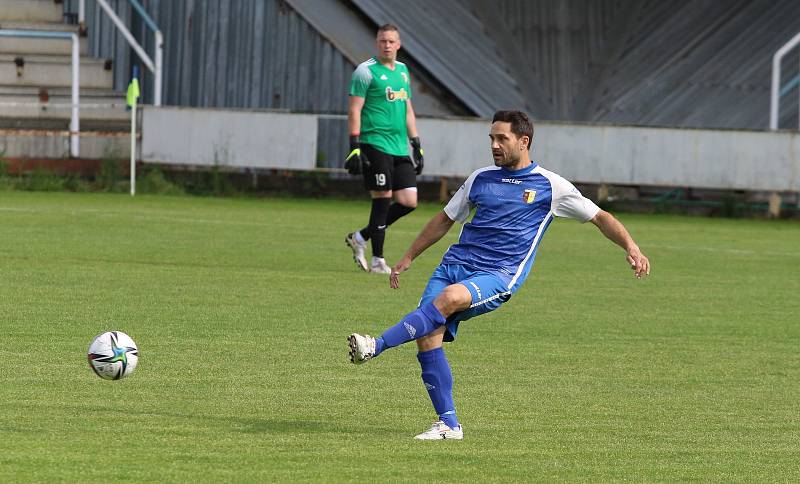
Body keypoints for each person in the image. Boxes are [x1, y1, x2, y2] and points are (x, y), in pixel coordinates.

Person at [347, 110, 651, 440]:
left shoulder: (551, 185)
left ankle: (375, 345)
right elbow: (445, 219)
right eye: (491, 138)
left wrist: (631, 246)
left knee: (447, 301)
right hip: (453, 265)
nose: (494, 144)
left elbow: (600, 217)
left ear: (524, 141)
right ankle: (448, 424)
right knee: (428, 335)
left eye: (501, 138)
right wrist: (409, 255)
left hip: (498, 273)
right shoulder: (480, 178)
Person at [344, 24, 424, 274]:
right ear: (377, 43)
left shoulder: (402, 71)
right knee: (382, 200)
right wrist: (354, 147)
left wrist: (417, 144)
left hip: (400, 147)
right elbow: (354, 110)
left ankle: (360, 237)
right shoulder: (365, 72)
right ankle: (378, 260)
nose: (387, 45)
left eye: (391, 41)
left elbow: (408, 109)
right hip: (374, 143)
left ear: (398, 44)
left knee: (409, 201)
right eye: (382, 41)